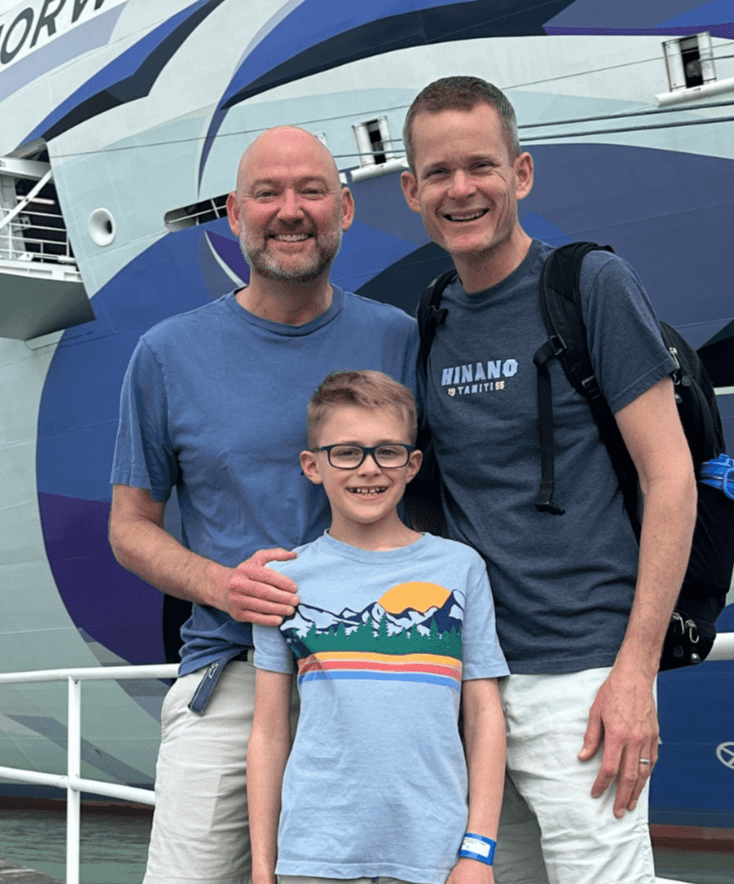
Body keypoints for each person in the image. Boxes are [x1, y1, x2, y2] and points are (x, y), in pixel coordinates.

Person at [399, 75, 698, 883]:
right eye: (438, 173)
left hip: (583, 679)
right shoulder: (433, 316)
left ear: (520, 172)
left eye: (480, 166)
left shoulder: (587, 285)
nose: (460, 189)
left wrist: (633, 671)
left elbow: (670, 476)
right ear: (411, 190)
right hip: (473, 683)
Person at [109, 126, 419, 884]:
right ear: (231, 212)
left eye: (311, 190)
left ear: (343, 207)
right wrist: (225, 586)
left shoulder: (400, 337)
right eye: (267, 193)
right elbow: (129, 527)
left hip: (379, 668)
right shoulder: (165, 353)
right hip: (233, 674)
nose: (290, 210)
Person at [248, 370, 508, 884]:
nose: (368, 469)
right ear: (312, 465)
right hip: (314, 856)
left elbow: (483, 715)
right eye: (346, 452)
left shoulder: (460, 568)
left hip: (433, 856)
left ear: (412, 465)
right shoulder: (282, 580)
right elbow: (269, 733)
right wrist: (262, 867)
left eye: (387, 451)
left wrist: (477, 852)